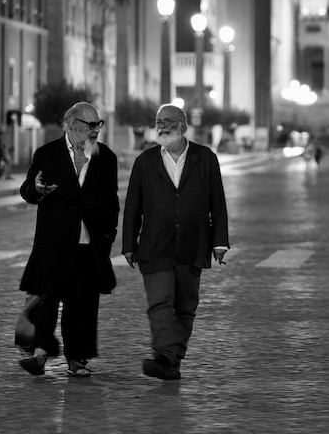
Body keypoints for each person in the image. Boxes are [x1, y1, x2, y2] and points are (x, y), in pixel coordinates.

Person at [123, 104, 229, 381]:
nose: (163, 126)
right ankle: (163, 354)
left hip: (193, 244)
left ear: (183, 125)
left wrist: (220, 242)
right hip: (155, 245)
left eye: (169, 121)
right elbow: (133, 206)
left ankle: (171, 360)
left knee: (184, 307)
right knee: (159, 302)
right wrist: (128, 244)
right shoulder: (145, 161)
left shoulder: (205, 158)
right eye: (159, 121)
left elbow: (217, 203)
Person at [16, 102, 120, 378]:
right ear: (72, 124)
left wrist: (108, 236)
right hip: (54, 242)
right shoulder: (47, 154)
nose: (95, 130)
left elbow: (112, 202)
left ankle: (78, 359)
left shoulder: (106, 158)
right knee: (46, 297)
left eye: (98, 125)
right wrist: (36, 189)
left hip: (89, 244)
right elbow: (27, 189)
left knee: (82, 303)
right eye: (90, 125)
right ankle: (40, 352)